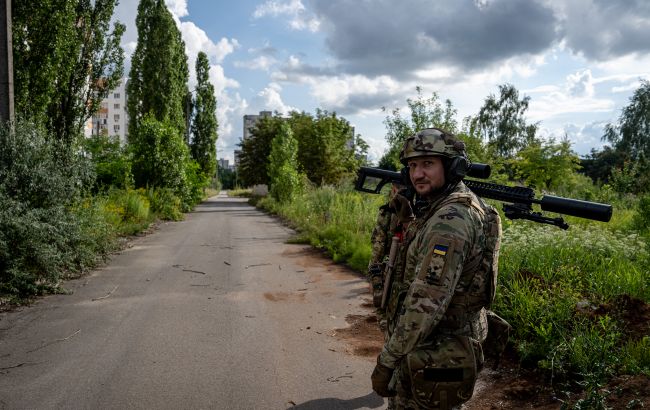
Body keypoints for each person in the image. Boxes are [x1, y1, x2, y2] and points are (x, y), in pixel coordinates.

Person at [371, 128, 502, 410]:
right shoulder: (438, 206)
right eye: (413, 165)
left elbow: (425, 304)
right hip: (434, 350)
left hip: (435, 351)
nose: (417, 174)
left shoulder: (451, 220)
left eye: (428, 164)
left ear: (453, 167)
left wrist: (387, 361)